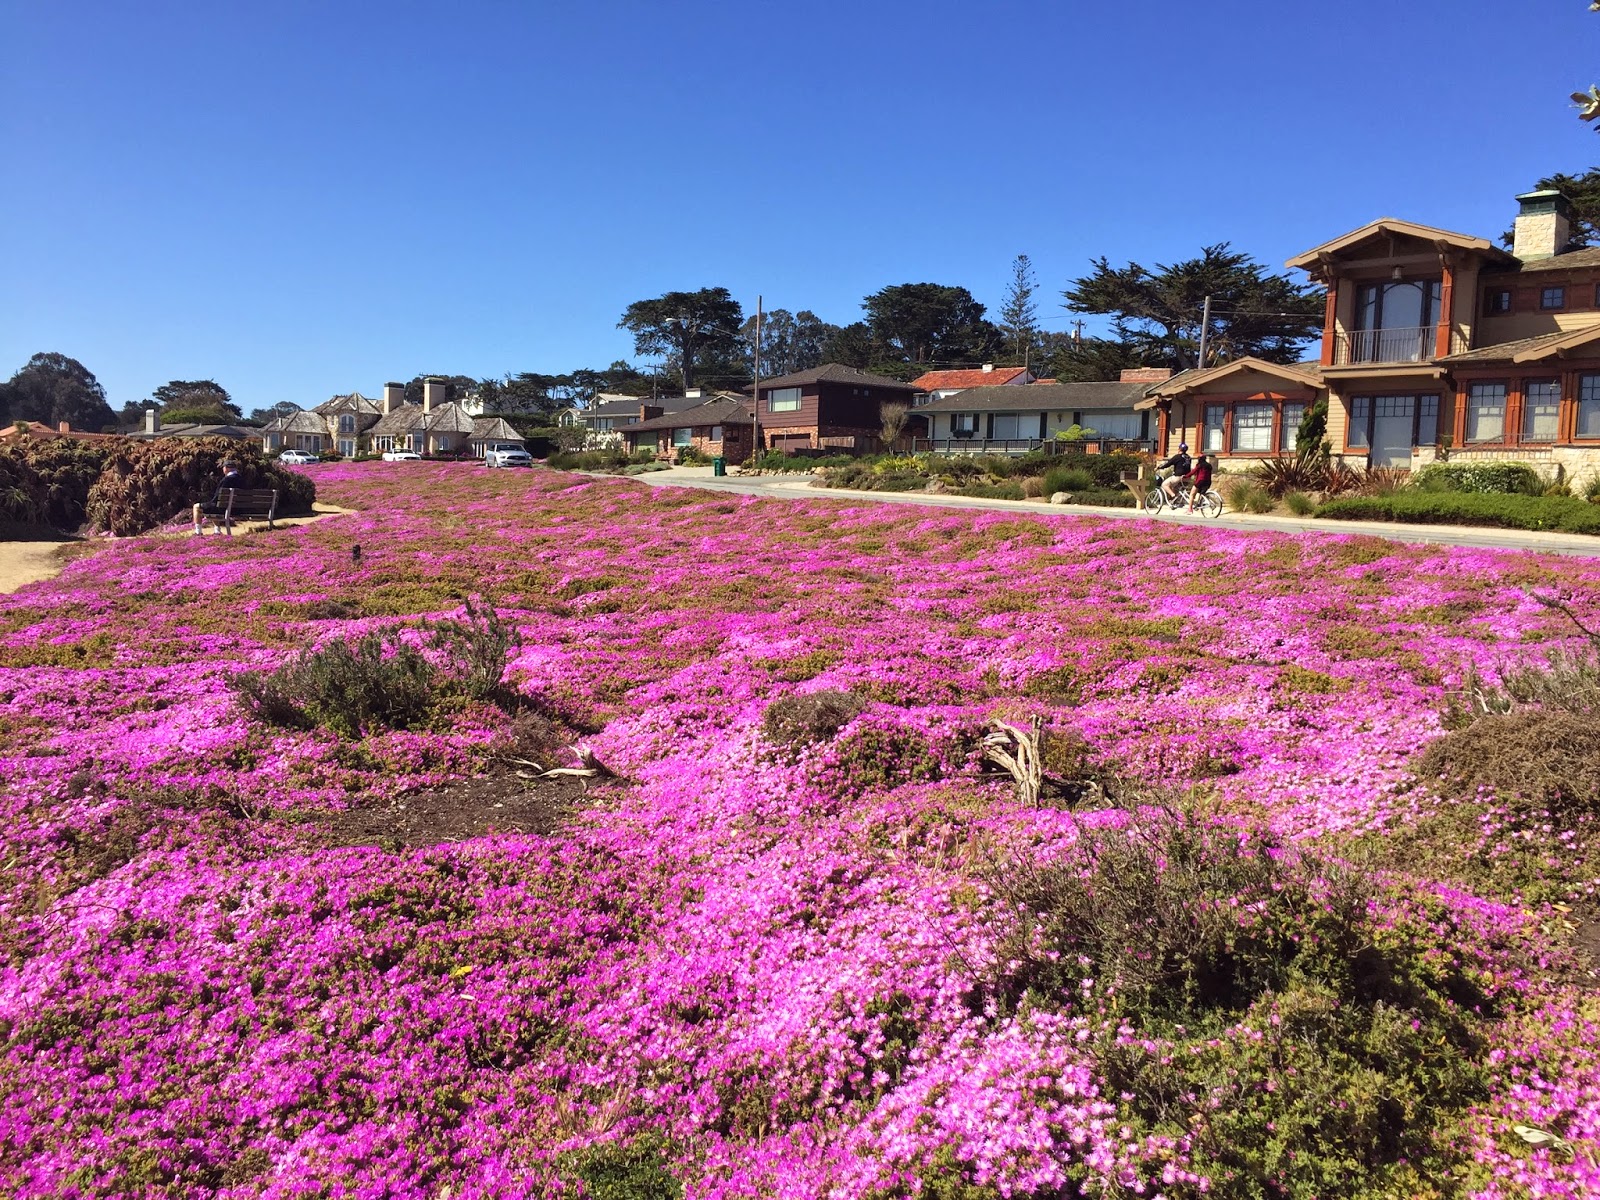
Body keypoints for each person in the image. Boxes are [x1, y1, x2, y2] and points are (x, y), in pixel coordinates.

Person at [193, 459, 243, 535]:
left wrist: (210, 502)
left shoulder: (226, 480)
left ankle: (198, 532)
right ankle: (217, 531)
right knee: (214, 505)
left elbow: (217, 498)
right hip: (239, 509)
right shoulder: (242, 480)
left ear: (226, 468)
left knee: (197, 507)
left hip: (224, 508)